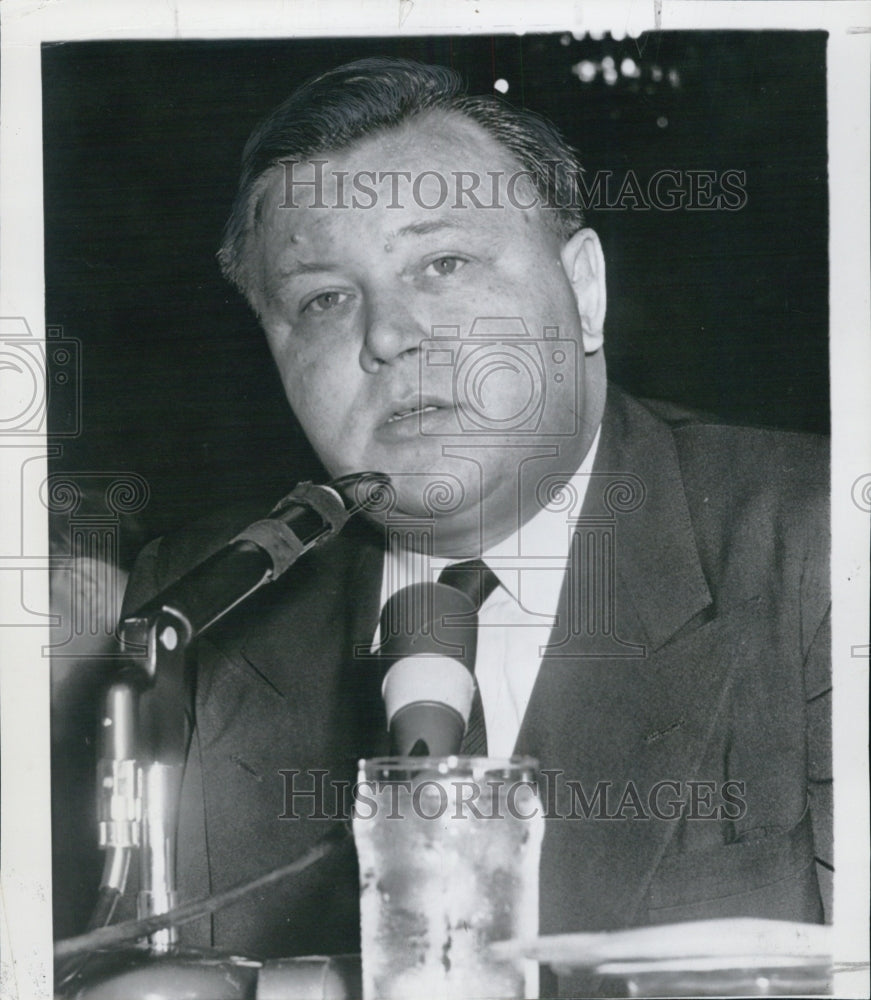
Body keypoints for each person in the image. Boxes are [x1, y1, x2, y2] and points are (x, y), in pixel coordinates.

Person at [121, 58, 831, 990]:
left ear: (583, 289)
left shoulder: (818, 543)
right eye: (323, 299)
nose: (388, 334)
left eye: (443, 264)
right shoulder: (203, 606)